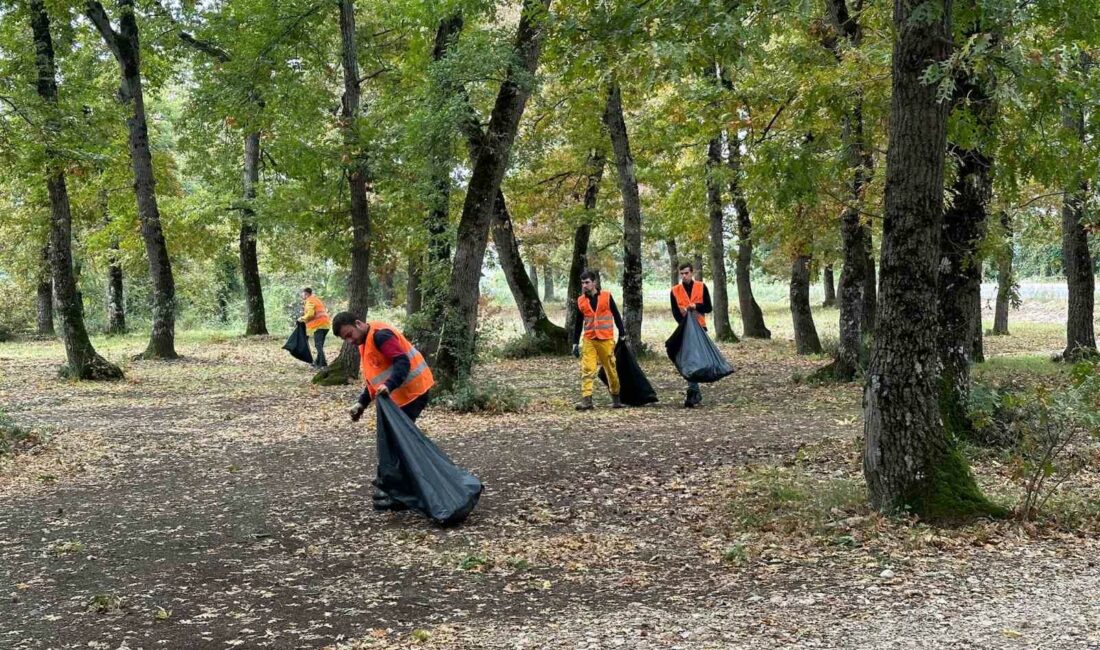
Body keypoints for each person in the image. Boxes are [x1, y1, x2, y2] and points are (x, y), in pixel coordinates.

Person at [333, 312, 434, 511]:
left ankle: (399, 492)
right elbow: (375, 378)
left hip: (413, 392)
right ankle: (393, 489)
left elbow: (402, 362)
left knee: (396, 443)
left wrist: (389, 385)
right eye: (346, 338)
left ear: (358, 323)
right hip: (399, 396)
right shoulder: (365, 342)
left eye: (349, 334)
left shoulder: (381, 336)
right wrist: (361, 404)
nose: (350, 341)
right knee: (393, 441)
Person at [571, 270, 627, 410]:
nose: (584, 285)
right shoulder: (581, 300)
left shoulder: (607, 296)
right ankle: (587, 400)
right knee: (587, 368)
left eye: (587, 282)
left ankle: (616, 398)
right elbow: (578, 323)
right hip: (589, 338)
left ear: (594, 282)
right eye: (583, 283)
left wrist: (622, 332)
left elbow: (616, 314)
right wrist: (575, 342)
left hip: (605, 338)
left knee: (610, 369)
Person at [670, 262, 713, 408]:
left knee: (698, 361)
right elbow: (675, 312)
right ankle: (693, 390)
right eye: (681, 273)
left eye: (686, 273)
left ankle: (694, 391)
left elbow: (708, 307)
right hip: (685, 330)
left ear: (692, 273)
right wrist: (684, 323)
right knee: (690, 360)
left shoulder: (701, 287)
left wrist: (696, 306)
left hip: (700, 328)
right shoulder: (675, 290)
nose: (684, 276)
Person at [298, 288, 331, 369]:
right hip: (326, 324)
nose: (302, 295)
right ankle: (317, 361)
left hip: (318, 325)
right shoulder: (316, 300)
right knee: (320, 345)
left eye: (302, 294)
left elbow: (310, 314)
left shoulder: (309, 301)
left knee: (318, 345)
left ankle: (323, 363)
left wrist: (302, 318)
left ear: (306, 294)